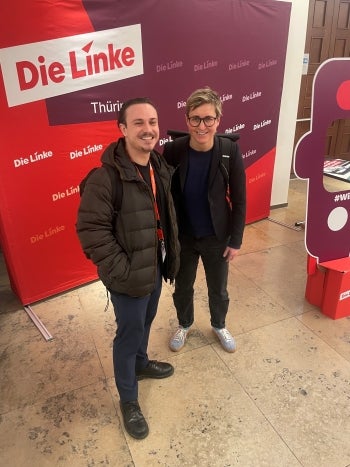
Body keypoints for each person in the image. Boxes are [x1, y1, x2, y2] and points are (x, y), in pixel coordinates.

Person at [76, 97, 180, 440]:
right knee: (128, 334)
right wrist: (122, 270)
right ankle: (129, 400)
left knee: (145, 322)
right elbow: (91, 232)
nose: (148, 129)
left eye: (152, 121)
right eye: (138, 123)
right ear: (122, 129)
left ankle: (140, 363)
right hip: (127, 276)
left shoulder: (158, 167)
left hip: (153, 266)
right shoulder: (105, 178)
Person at [163, 87, 246, 353]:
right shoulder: (173, 151)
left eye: (208, 118)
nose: (202, 125)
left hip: (217, 237)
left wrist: (236, 240)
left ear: (218, 120)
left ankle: (219, 325)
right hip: (184, 237)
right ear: (187, 119)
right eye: (195, 118)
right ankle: (184, 324)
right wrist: (167, 237)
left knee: (218, 289)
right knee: (183, 287)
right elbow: (165, 198)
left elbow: (240, 199)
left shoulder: (229, 151)